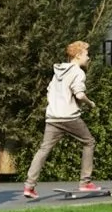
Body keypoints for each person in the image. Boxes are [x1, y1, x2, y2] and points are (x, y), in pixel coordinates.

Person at [22, 40, 97, 199]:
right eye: (86, 54)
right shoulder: (78, 72)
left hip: (52, 117)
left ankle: (29, 186)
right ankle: (85, 182)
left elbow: (49, 91)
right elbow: (79, 94)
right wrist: (90, 103)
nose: (88, 57)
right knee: (89, 142)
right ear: (78, 55)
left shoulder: (58, 72)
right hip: (69, 117)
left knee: (44, 149)